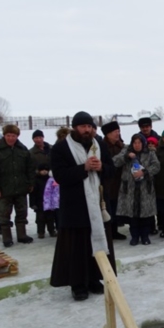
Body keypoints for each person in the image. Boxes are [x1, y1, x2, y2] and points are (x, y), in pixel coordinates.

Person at [50, 111, 116, 301]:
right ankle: (77, 284)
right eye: (83, 126)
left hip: (97, 204)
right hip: (75, 207)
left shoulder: (99, 145)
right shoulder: (61, 149)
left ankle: (95, 278)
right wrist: (83, 168)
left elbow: (111, 170)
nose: (87, 130)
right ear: (75, 128)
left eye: (89, 126)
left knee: (96, 242)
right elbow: (60, 176)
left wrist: (101, 167)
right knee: (77, 246)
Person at [0, 124, 35, 247]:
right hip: (4, 189)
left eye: (13, 135)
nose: (11, 138)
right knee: (4, 215)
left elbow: (30, 168)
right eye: (8, 135)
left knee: (22, 213)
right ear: (4, 136)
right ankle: (7, 238)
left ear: (17, 136)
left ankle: (22, 235)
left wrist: (30, 183)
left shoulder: (23, 150)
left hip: (21, 188)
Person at [113, 133, 160, 246]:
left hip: (145, 188)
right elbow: (115, 161)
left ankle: (145, 236)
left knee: (145, 214)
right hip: (129, 188)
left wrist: (144, 172)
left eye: (139, 143)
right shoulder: (126, 151)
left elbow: (157, 166)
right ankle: (134, 237)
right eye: (135, 143)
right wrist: (126, 157)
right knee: (132, 215)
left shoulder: (149, 152)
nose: (137, 145)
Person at [101, 121, 127, 240]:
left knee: (116, 206)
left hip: (119, 181)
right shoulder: (102, 147)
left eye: (118, 131)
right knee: (107, 207)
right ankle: (107, 233)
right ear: (108, 134)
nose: (118, 134)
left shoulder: (120, 145)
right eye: (115, 132)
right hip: (107, 182)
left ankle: (114, 231)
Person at [29, 129, 54, 238]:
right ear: (33, 139)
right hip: (38, 182)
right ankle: (41, 231)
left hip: (51, 180)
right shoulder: (31, 153)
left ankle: (52, 230)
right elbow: (29, 167)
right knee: (40, 214)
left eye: (40, 137)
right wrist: (37, 173)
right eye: (36, 138)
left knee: (51, 213)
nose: (38, 140)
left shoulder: (51, 149)